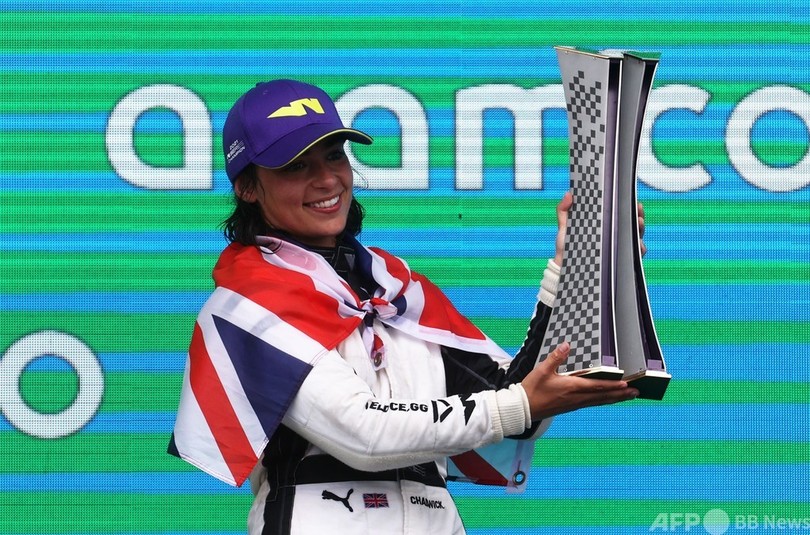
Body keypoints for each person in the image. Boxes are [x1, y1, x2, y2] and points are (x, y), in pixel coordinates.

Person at [169, 79, 640, 535]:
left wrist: (572, 270)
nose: (327, 179)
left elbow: (519, 401)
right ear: (248, 188)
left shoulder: (396, 290)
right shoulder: (246, 304)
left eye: (334, 155)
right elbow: (365, 434)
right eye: (295, 167)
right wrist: (518, 405)